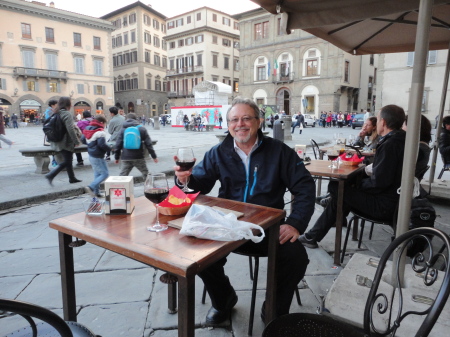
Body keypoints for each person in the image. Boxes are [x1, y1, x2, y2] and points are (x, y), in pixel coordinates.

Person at [174, 97, 315, 323]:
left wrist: (296, 222)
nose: (240, 124)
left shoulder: (279, 151)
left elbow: (305, 186)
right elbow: (199, 185)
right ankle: (223, 300)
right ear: (228, 125)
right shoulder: (218, 152)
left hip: (267, 226)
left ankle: (274, 310)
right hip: (228, 223)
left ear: (259, 121)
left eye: (246, 118)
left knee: (295, 256)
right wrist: (185, 179)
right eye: (234, 120)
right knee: (194, 251)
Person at [299, 104, 406, 249]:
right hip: (396, 200)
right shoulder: (401, 139)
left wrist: (357, 185)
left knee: (337, 187)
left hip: (384, 205)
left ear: (383, 122)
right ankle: (315, 234)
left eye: (378, 119)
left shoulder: (390, 144)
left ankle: (317, 232)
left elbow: (380, 182)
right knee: (341, 193)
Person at [44, 97, 82, 186]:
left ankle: (72, 178)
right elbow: (71, 129)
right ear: (68, 104)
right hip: (65, 141)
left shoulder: (55, 112)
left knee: (68, 159)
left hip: (57, 140)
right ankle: (51, 175)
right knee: (67, 161)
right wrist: (76, 141)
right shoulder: (66, 114)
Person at [114, 113, 158, 178]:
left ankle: (120, 187)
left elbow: (118, 145)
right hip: (138, 156)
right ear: (136, 119)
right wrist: (154, 156)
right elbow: (149, 144)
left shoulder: (122, 130)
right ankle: (150, 187)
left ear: (126, 119)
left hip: (126, 157)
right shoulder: (142, 129)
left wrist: (116, 157)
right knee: (146, 175)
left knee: (122, 177)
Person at [81, 115, 111, 198]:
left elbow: (83, 139)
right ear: (101, 123)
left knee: (97, 174)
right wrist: (110, 149)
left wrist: (91, 145)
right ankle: (91, 187)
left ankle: (96, 192)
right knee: (105, 174)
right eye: (105, 123)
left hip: (91, 154)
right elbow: (102, 144)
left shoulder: (87, 128)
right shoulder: (100, 132)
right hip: (98, 155)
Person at [402, 114, 432, 179]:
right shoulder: (422, 146)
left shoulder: (417, 149)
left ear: (412, 128)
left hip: (404, 185)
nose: (402, 128)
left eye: (403, 125)